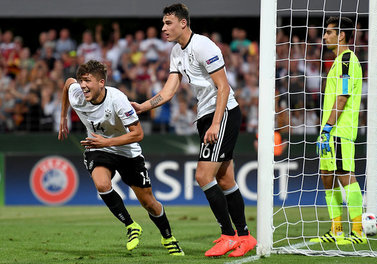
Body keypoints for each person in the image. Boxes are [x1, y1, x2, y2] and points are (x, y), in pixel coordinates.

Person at [131, 3, 256, 258]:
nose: (163, 28)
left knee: (202, 175)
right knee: (225, 180)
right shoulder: (177, 51)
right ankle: (244, 236)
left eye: (168, 23)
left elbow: (223, 87)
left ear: (183, 23)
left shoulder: (203, 46)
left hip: (223, 113)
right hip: (206, 115)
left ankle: (228, 236)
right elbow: (169, 89)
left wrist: (215, 123)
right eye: (163, 23)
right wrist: (143, 106)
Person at [57, 60, 184, 256]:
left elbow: (138, 134)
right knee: (101, 184)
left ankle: (168, 237)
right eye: (81, 81)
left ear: (101, 83)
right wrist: (63, 117)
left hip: (126, 150)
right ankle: (131, 226)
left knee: (148, 202)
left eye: (88, 81)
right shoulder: (77, 95)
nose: (82, 86)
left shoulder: (117, 99)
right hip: (98, 147)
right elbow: (68, 83)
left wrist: (106, 143)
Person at [310, 17, 365, 245]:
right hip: (329, 132)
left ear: (340, 35)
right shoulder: (336, 62)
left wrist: (329, 128)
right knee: (327, 178)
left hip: (339, 131)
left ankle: (359, 231)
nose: (324, 36)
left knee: (345, 176)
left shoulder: (346, 61)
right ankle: (336, 229)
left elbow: (342, 98)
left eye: (328, 32)